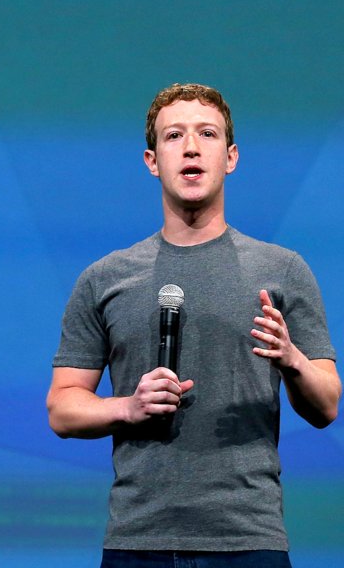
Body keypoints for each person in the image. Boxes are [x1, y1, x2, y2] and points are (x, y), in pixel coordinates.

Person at [46, 83, 341, 568]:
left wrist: (293, 361)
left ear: (230, 157)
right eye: (174, 135)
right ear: (152, 161)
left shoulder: (282, 271)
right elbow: (62, 409)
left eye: (207, 134)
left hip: (249, 539)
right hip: (139, 539)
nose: (190, 147)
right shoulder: (105, 279)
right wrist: (128, 406)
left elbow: (327, 404)